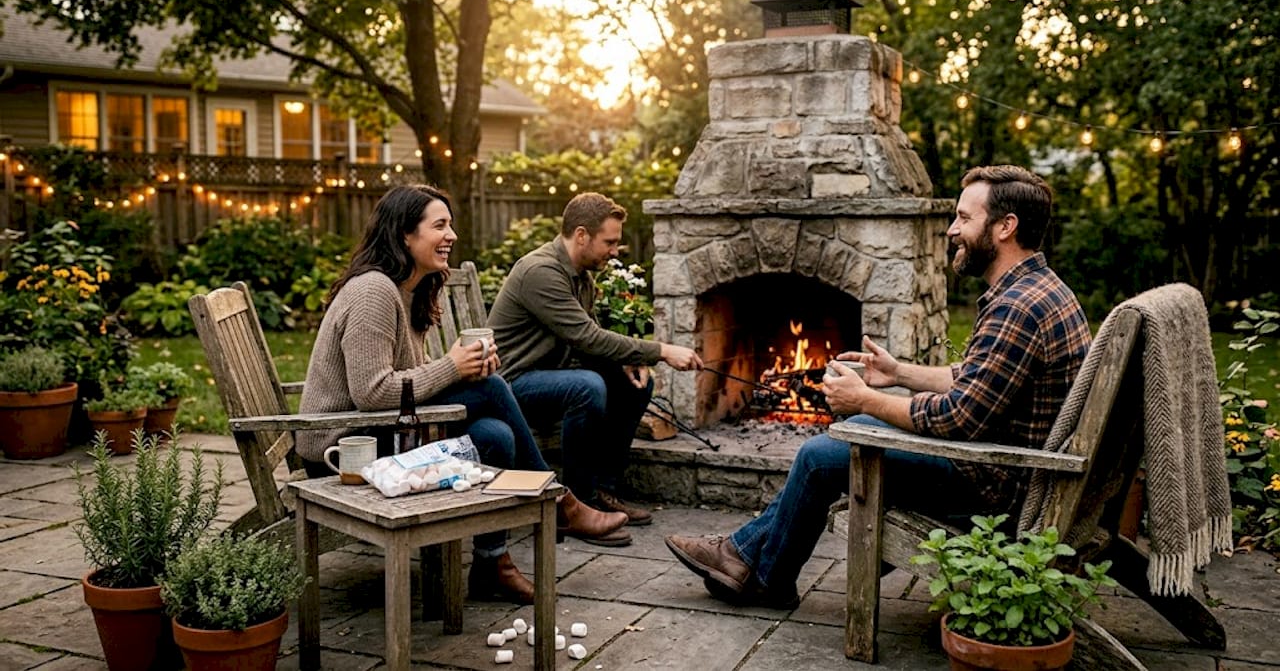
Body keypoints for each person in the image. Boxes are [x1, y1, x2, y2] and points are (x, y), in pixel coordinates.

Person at [665, 164, 1092, 607]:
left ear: (1006, 227)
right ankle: (747, 558)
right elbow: (977, 379)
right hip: (1003, 468)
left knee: (820, 454)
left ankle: (761, 572)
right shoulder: (1036, 290)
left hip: (991, 489)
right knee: (858, 429)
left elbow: (957, 417)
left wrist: (863, 397)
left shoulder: (1017, 308)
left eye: (965, 218)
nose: (952, 230)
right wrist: (897, 373)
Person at [297, 184, 627, 604]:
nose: (451, 234)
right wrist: (454, 368)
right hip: (343, 451)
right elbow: (373, 392)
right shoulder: (373, 292)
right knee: (489, 388)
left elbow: (408, 379)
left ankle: (493, 565)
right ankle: (559, 502)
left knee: (495, 435)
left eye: (450, 224)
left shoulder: (409, 290)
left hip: (385, 431)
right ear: (405, 235)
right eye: (439, 225)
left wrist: (460, 371)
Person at [488, 192, 703, 546]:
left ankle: (604, 491)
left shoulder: (581, 277)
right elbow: (587, 337)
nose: (616, 251)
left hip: (548, 377)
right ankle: (577, 508)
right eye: (611, 242)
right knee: (587, 386)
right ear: (582, 235)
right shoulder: (541, 272)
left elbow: (588, 343)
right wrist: (660, 350)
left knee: (632, 383)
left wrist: (626, 360)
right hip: (512, 384)